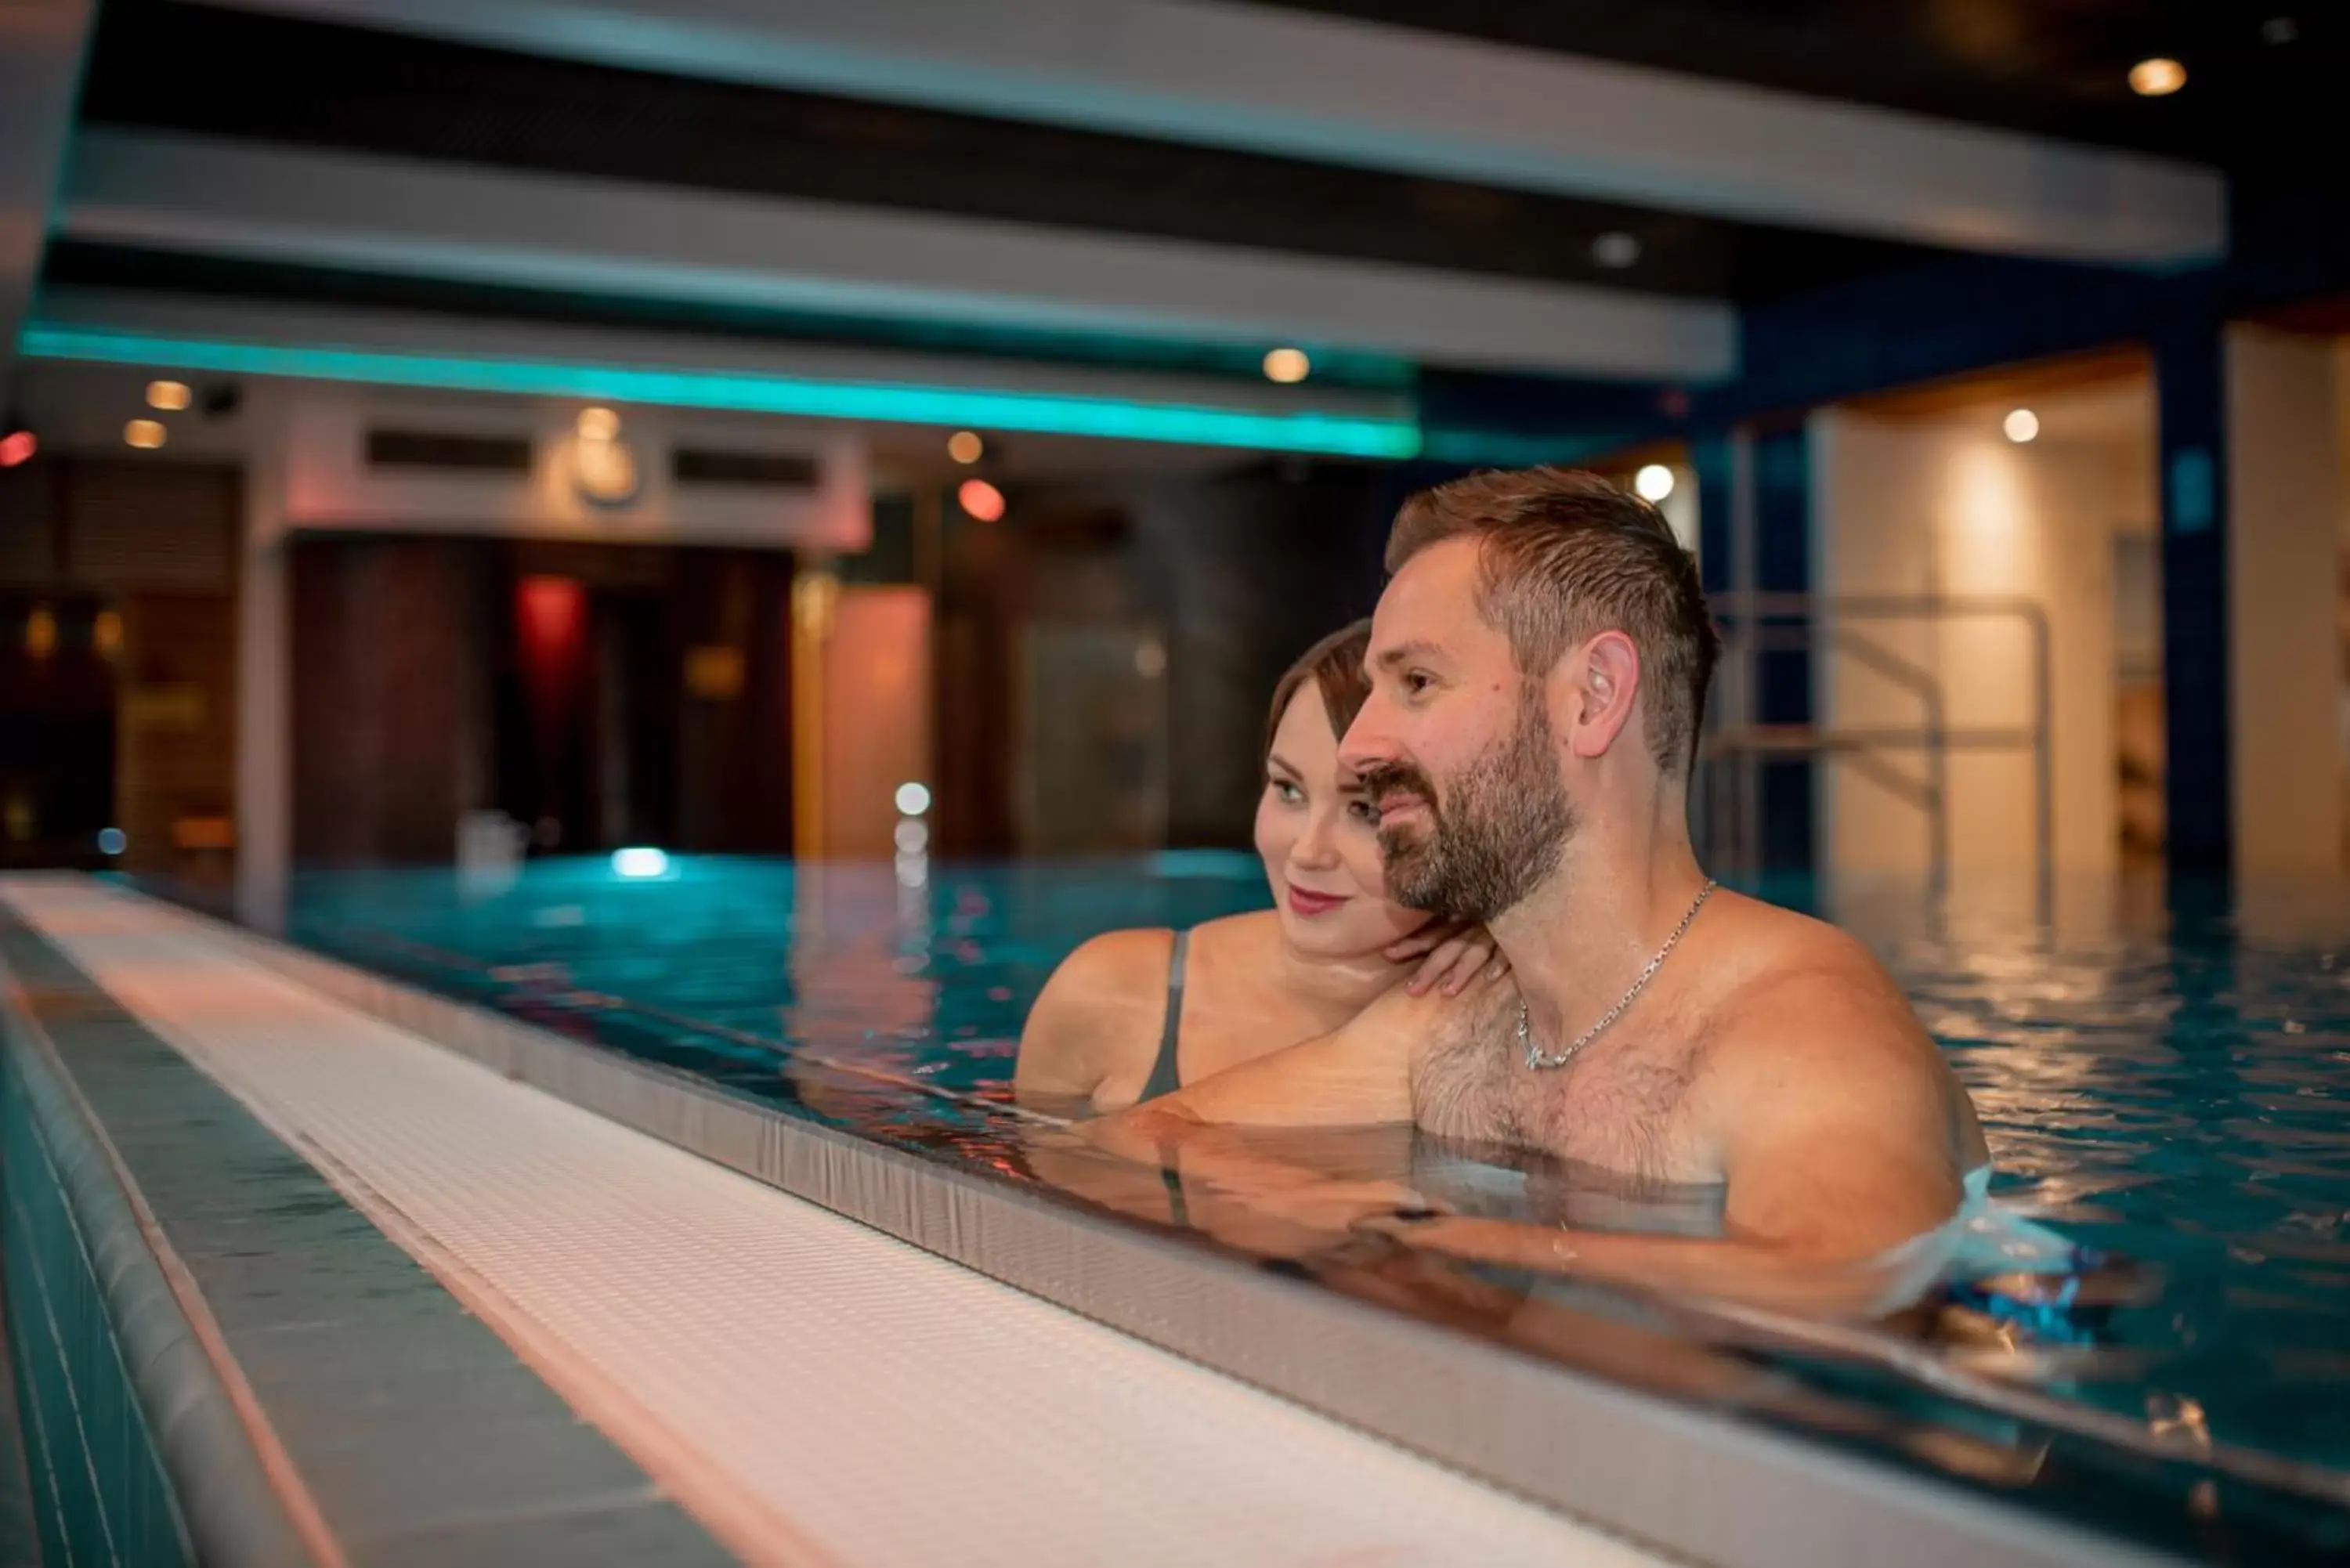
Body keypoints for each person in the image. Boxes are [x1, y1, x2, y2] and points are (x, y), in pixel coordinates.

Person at [1087, 468, 1990, 1311]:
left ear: (1594, 697)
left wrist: (1435, 1237)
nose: (1359, 747)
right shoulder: (1459, 1017)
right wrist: (1340, 1205)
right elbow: (1147, 1134)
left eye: (1415, 681)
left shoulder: (1798, 1028)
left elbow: (1847, 1291)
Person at [1015, 620, 1501, 1117]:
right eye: (1288, 790)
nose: (1307, 852)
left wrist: (1514, 932)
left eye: (1366, 811)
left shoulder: (1509, 1021)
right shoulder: (1112, 997)